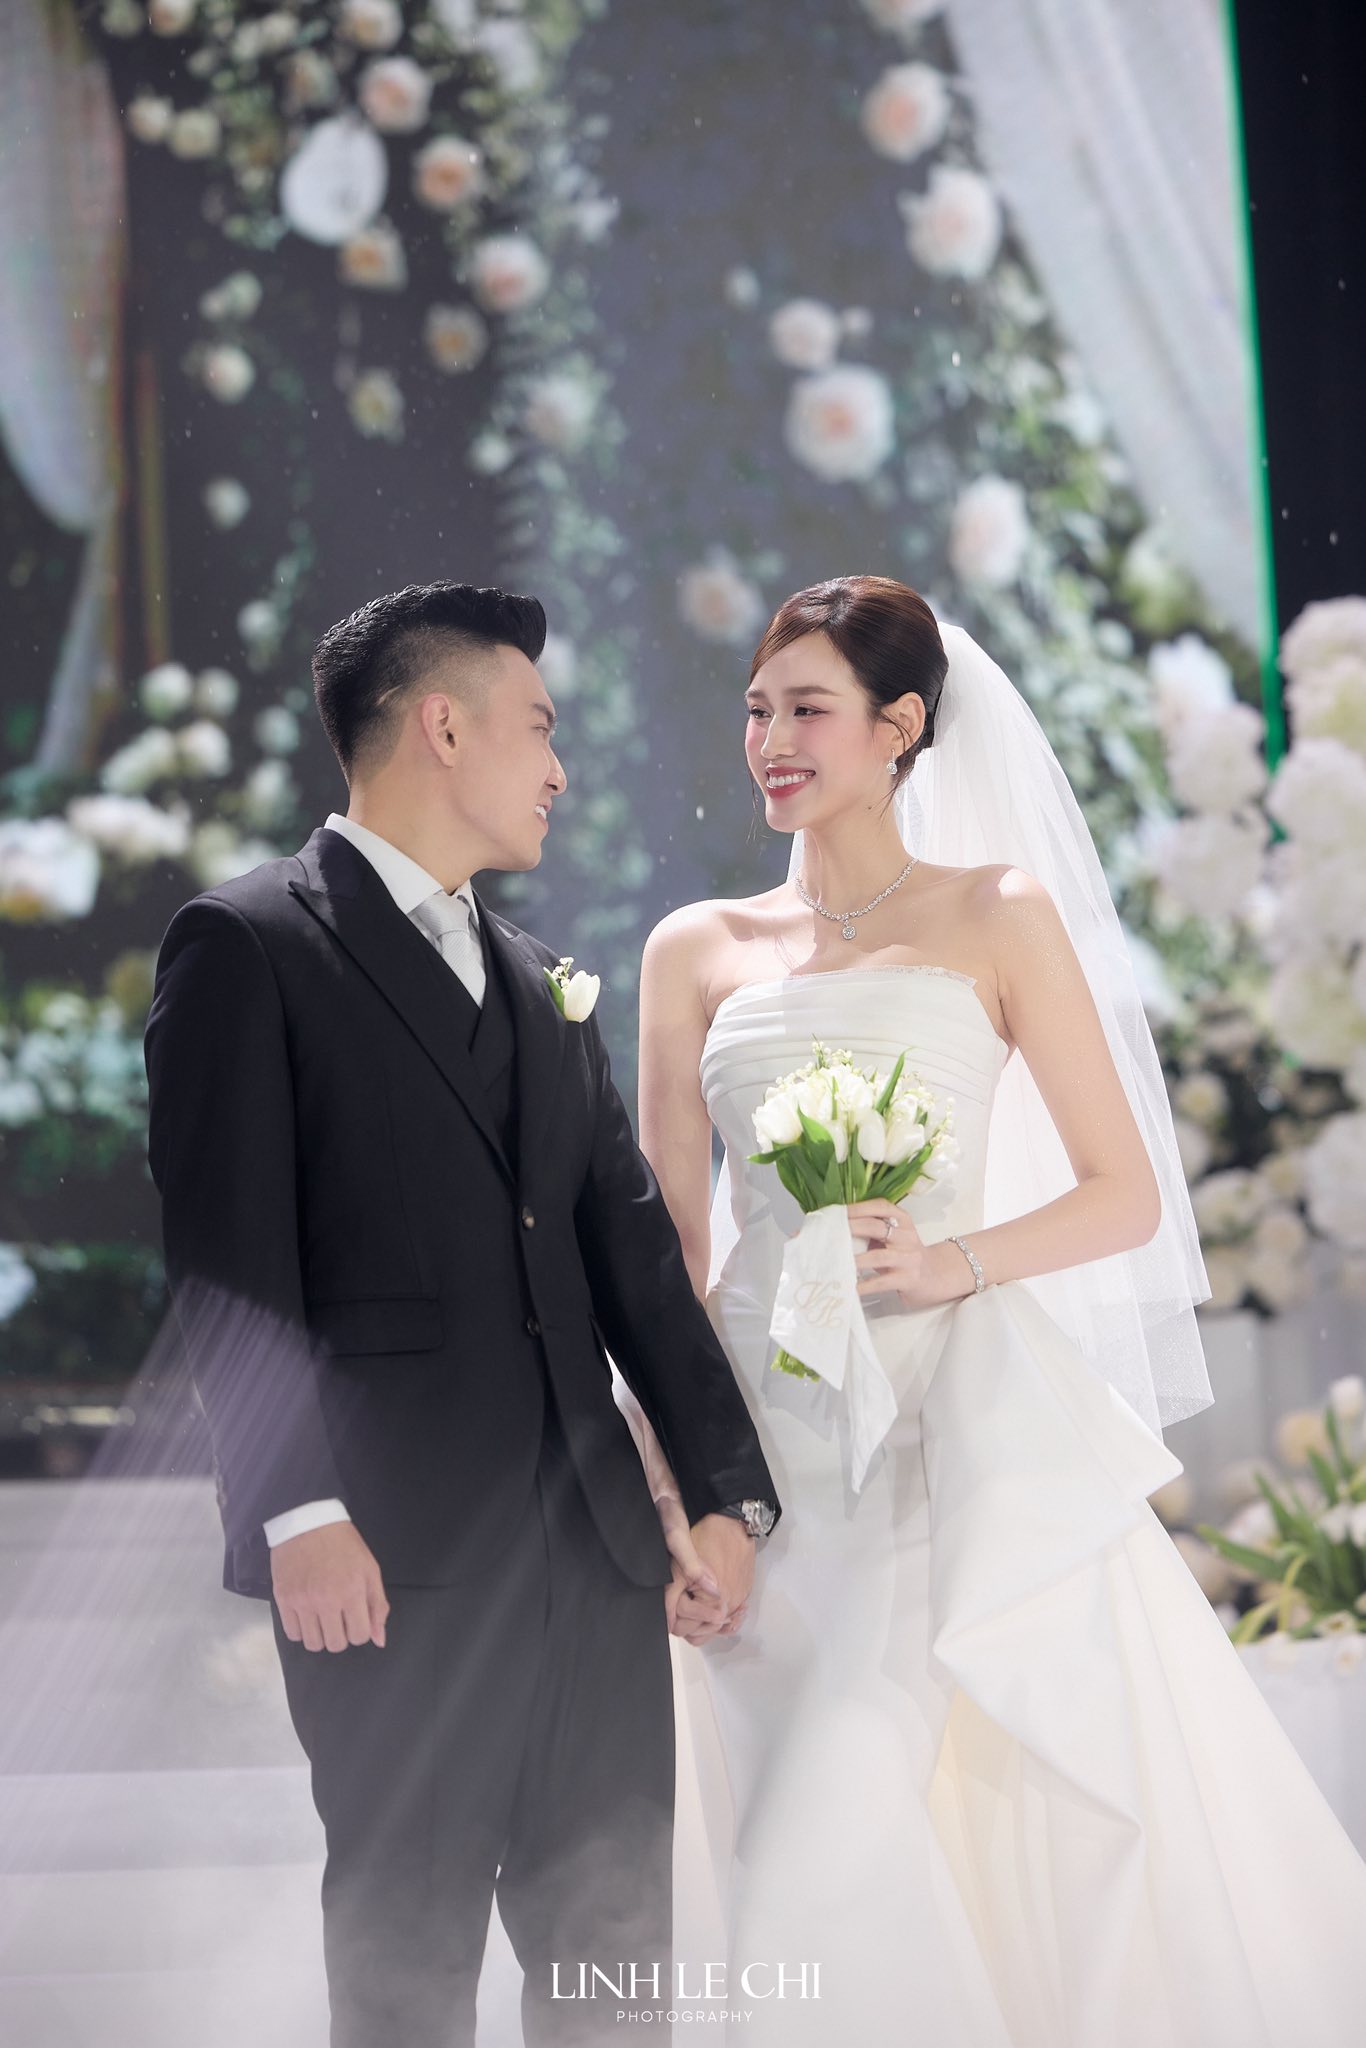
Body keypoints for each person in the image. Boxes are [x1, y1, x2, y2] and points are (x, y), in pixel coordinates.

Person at [631, 575, 1366, 2046]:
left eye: (809, 710)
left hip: (947, 1435)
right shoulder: (692, 948)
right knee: (785, 1807)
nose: (770, 740)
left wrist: (951, 1262)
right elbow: (670, 1251)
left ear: (901, 725)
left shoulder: (996, 915)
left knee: (865, 1811)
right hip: (760, 1448)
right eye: (758, 710)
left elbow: (1121, 1194)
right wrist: (670, 1487)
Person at [143, 581, 779, 2048]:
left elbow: (633, 1262)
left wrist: (724, 1494)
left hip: (595, 1564)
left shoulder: (545, 983)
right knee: (406, 1966)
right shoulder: (246, 945)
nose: (559, 769)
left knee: (616, 1971)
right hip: (391, 1566)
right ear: (442, 726)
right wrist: (296, 1511)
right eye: (538, 729)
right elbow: (227, 1262)